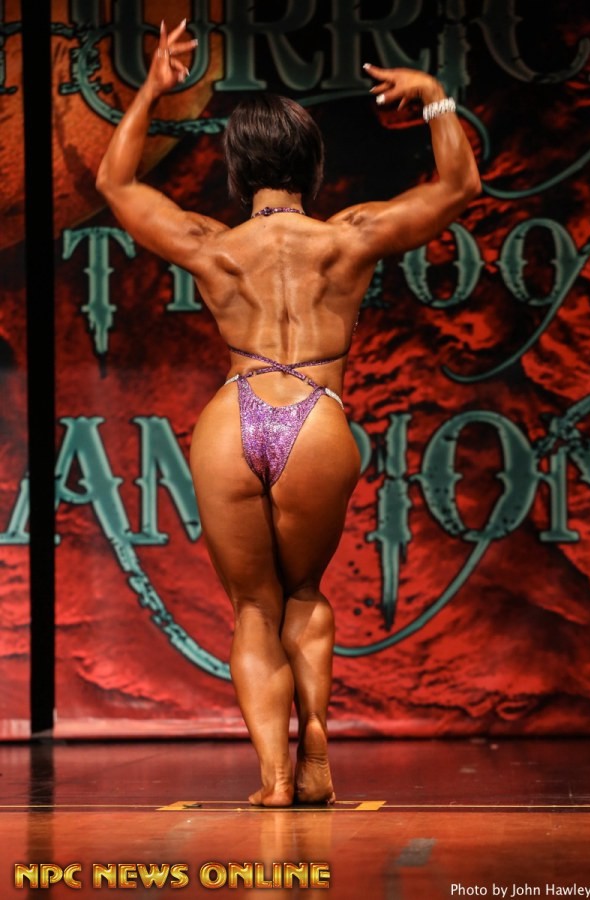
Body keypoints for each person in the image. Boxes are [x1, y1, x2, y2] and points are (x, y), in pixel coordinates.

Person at [96, 19, 480, 807]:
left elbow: (116, 184)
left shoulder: (213, 244)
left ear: (237, 172)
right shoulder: (348, 237)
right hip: (315, 413)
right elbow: (457, 188)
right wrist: (436, 98)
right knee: (302, 592)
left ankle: (273, 779)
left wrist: (153, 91)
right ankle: (315, 757)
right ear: (312, 165)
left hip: (233, 415)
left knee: (252, 607)